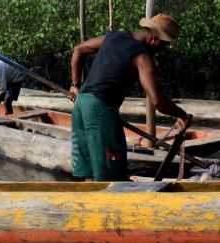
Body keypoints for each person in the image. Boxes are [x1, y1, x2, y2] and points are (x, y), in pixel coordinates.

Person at [69, 13, 192, 181]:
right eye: (164, 46)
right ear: (154, 40)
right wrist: (182, 115)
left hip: (81, 104)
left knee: (89, 175)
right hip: (100, 110)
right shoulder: (141, 56)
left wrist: (75, 86)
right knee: (111, 176)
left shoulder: (113, 36)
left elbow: (79, 49)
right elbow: (158, 101)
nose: (162, 50)